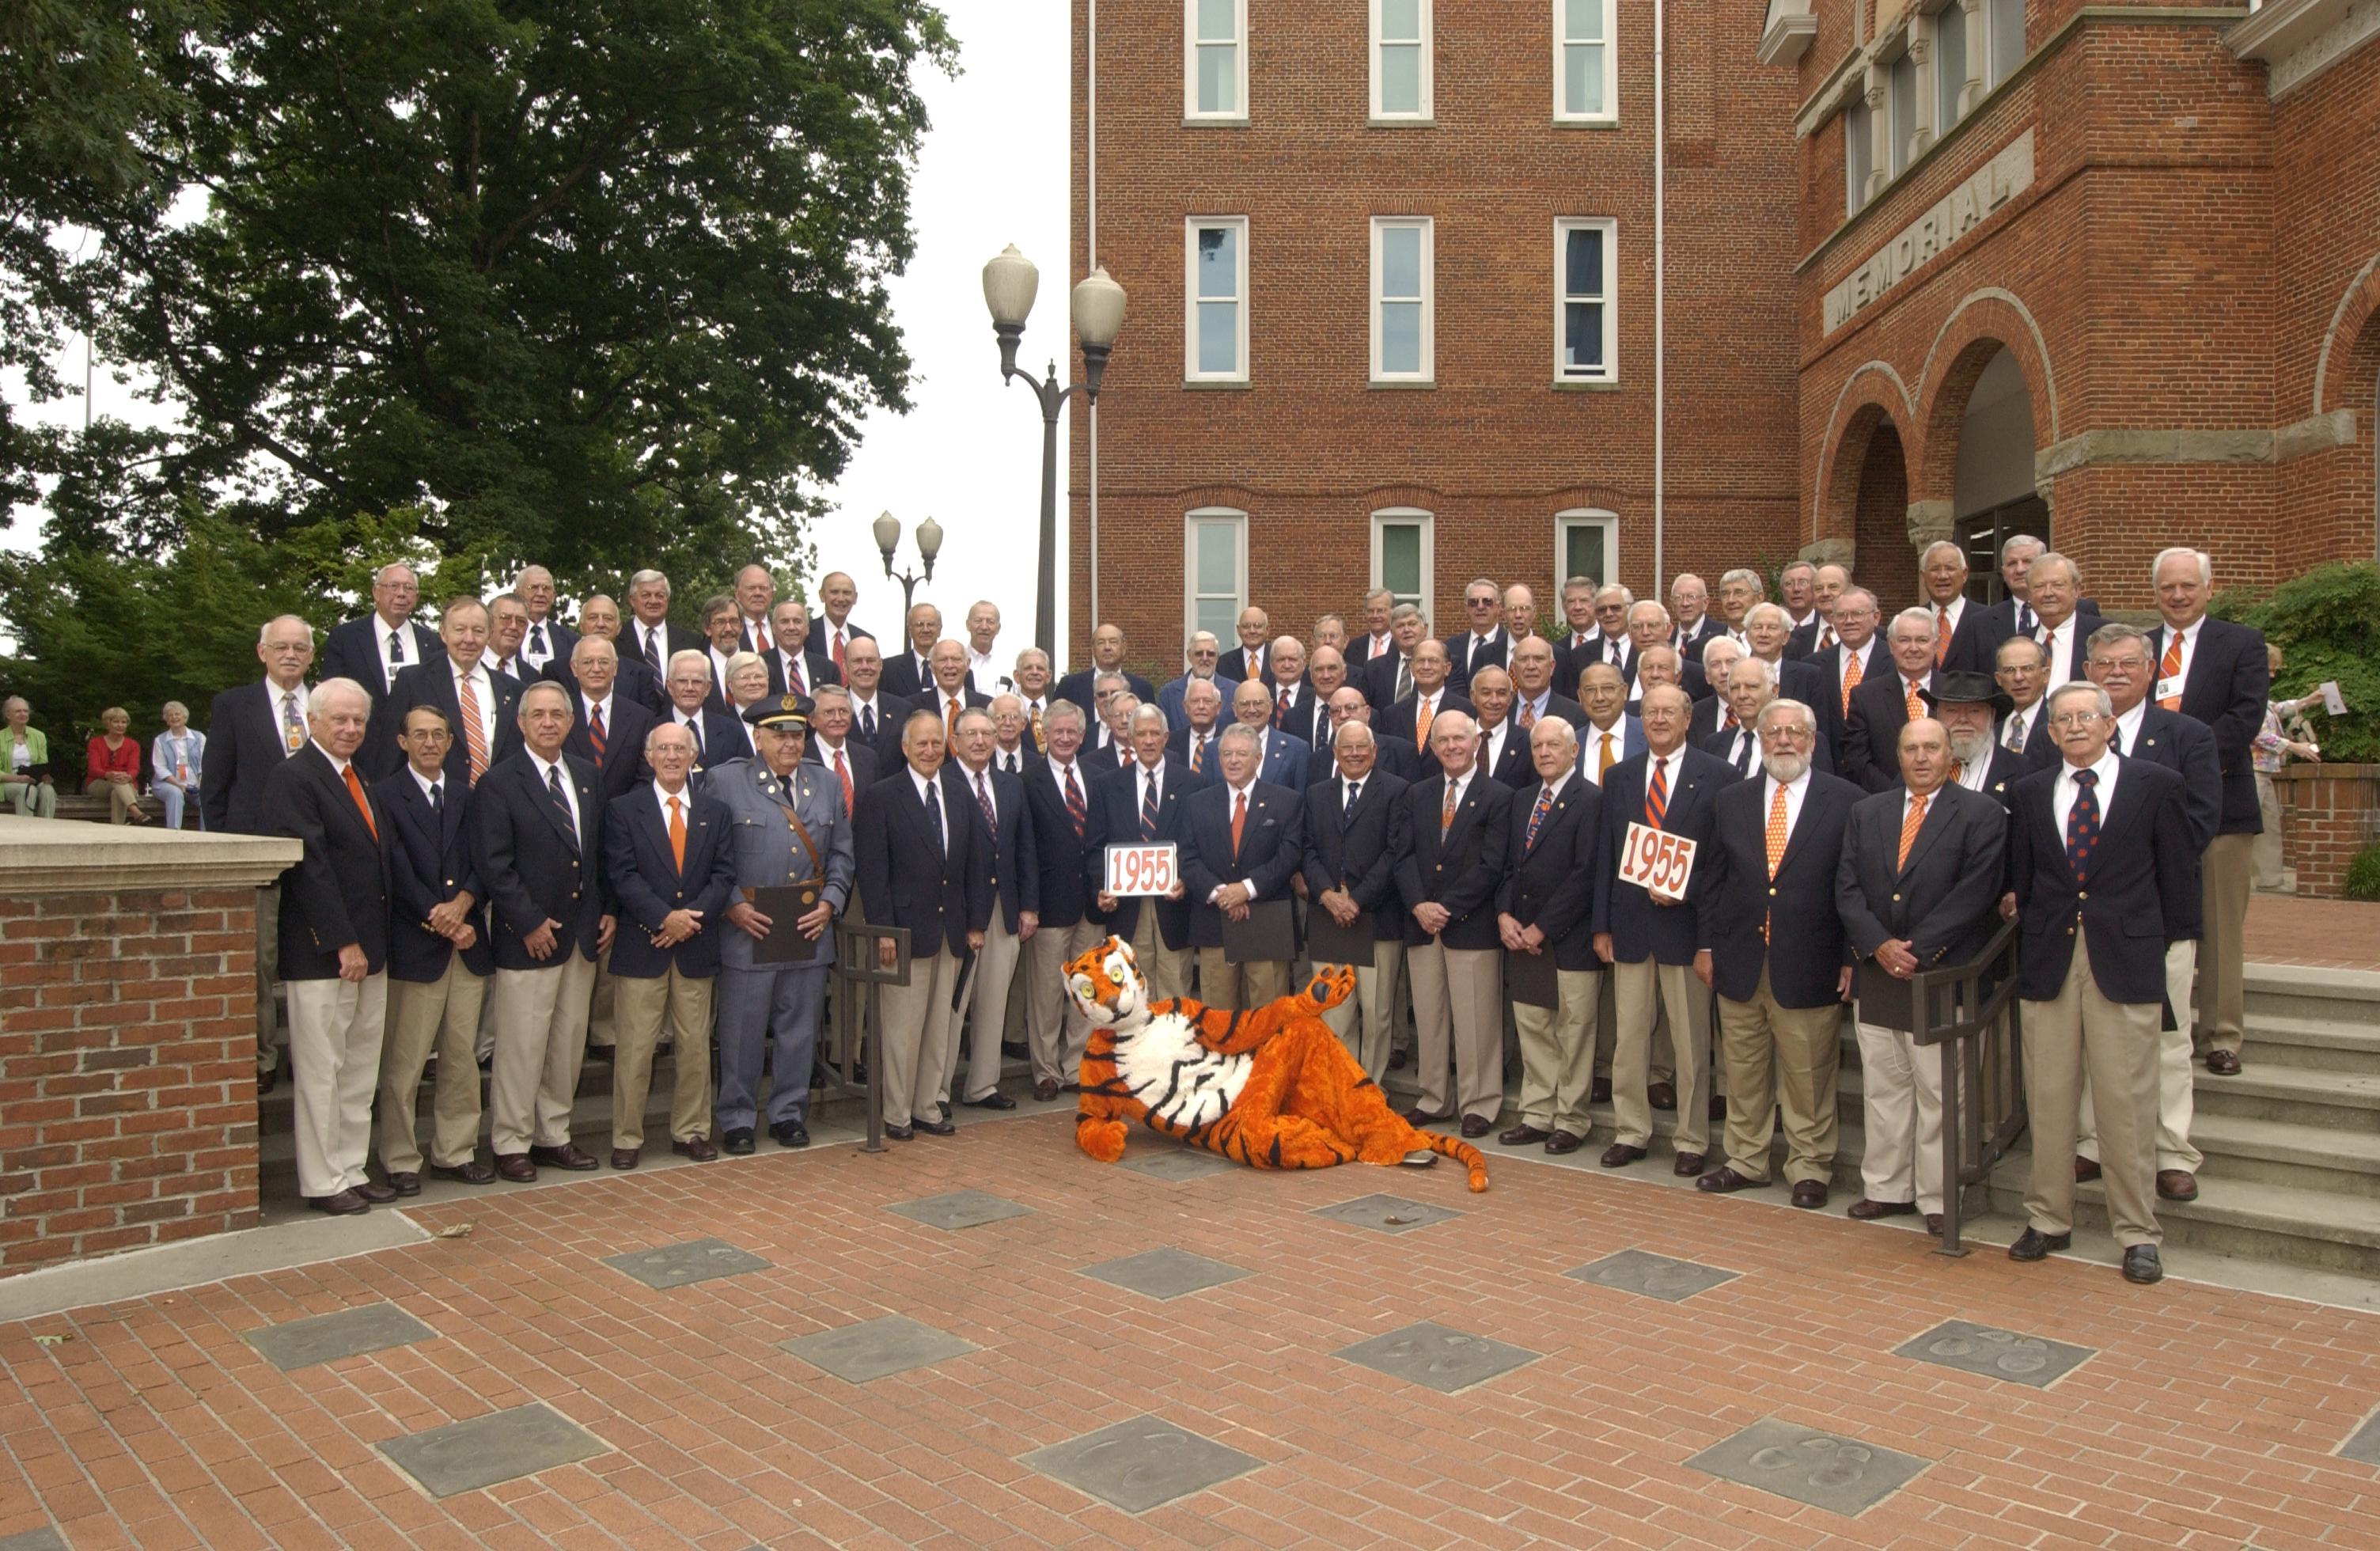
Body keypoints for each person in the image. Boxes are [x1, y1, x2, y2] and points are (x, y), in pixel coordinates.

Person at [2007, 681, 2198, 1286]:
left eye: (2087, 716)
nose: (2076, 726)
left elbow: (2178, 880)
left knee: (2126, 1106)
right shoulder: (2032, 791)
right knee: (2050, 1097)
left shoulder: (2156, 786)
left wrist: (2162, 951)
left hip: (2127, 960)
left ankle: (2138, 1233)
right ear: (2052, 732)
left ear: (2110, 725)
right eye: (2063, 719)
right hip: (2051, 962)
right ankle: (2048, 1218)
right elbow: (2025, 880)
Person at [2035, 623, 2219, 1204]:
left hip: (2153, 922)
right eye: (2104, 664)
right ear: (2088, 672)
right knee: (2089, 1046)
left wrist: (2144, 901)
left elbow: (2193, 829)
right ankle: (2093, 1144)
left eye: (2128, 664)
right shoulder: (2064, 736)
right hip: (2080, 928)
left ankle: (2170, 1151)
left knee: (2164, 1042)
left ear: (2150, 669)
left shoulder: (2186, 736)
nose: (2116, 673)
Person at [1836, 718, 2006, 1234]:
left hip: (1939, 973)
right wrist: (1878, 945)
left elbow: (1977, 892)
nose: (1921, 757)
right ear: (1898, 754)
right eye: (1911, 748)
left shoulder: (1981, 813)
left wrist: (1917, 950)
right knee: (1886, 1089)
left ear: (1950, 753)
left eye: (1932, 747)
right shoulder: (1868, 812)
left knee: (1939, 1091)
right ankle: (1888, 1188)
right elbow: (1846, 887)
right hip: (1878, 972)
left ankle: (1937, 1196)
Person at [1695, 699, 1861, 1208]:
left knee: (1809, 1071)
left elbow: (1854, 884)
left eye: (1795, 732)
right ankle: (1745, 1159)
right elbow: (1713, 879)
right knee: (1742, 1067)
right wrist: (1705, 944)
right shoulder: (1732, 799)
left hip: (1811, 958)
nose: (1784, 740)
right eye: (1774, 732)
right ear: (1760, 739)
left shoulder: (1847, 800)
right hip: (1739, 956)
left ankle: (1810, 1165)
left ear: (1813, 740)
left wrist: (1852, 956)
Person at [263, 678, 393, 1215]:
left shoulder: (356, 775)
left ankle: (350, 1168)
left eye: (358, 720)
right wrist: (343, 942)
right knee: (322, 1070)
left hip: (371, 949)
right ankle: (322, 1181)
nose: (350, 729)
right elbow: (310, 868)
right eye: (339, 719)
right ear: (312, 721)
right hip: (326, 954)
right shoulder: (294, 777)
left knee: (359, 1069)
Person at [473, 681, 612, 1181]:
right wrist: (528, 921)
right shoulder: (499, 783)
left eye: (558, 714)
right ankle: (511, 1141)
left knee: (568, 1041)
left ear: (571, 722)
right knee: (521, 1044)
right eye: (539, 715)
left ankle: (553, 1134)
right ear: (522, 722)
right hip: (527, 935)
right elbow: (494, 864)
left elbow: (595, 855)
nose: (549, 722)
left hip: (578, 934)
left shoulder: (587, 775)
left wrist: (606, 910)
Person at [1593, 684, 1733, 1174]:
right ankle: (1631, 1130)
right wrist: (1601, 925)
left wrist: (1687, 893)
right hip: (1630, 927)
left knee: (1691, 1043)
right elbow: (1607, 855)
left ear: (1687, 718)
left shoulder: (1718, 776)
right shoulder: (1622, 776)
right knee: (1628, 1039)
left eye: (1668, 712)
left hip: (1687, 928)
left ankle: (1692, 1141)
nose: (1658, 720)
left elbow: (1722, 863)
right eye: (1650, 712)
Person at [709, 695, 855, 1150]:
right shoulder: (726, 780)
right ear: (758, 737)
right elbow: (711, 853)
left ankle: (789, 1113)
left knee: (800, 1027)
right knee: (742, 1030)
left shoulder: (827, 783)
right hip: (750, 926)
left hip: (808, 925)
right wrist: (732, 904)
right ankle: (735, 1118)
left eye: (797, 734)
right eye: (779, 734)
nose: (790, 743)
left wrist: (830, 903)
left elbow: (842, 855)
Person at [2147, 547, 2269, 1079]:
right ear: (2155, 592)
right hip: (2148, 808)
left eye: (2187, 586)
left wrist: (2182, 764)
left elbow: (2245, 717)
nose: (2177, 595)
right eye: (2168, 587)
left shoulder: (2241, 644)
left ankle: (2221, 1034)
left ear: (2208, 588)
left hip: (2222, 804)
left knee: (2219, 926)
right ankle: (2156, 1023)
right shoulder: (2140, 648)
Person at [602, 721, 737, 1167]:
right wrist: (665, 918)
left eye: (681, 749)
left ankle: (691, 1131)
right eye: (663, 749)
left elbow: (723, 875)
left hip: (695, 947)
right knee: (636, 1049)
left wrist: (688, 920)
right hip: (644, 946)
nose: (673, 757)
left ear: (693, 756)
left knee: (695, 1047)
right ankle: (626, 1138)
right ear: (649, 757)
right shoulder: (624, 809)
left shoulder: (715, 811)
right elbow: (621, 875)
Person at [373, 704, 496, 1192]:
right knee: (405, 1063)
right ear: (402, 741)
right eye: (419, 735)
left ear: (450, 742)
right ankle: (401, 1158)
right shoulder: (384, 796)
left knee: (461, 1057)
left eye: (438, 735)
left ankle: (455, 1150)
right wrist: (440, 920)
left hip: (467, 947)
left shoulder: (470, 798)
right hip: (415, 946)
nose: (429, 743)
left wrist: (464, 904)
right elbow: (394, 869)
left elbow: (485, 862)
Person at [855, 708, 991, 1140]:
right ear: (905, 748)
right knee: (902, 1030)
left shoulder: (957, 792)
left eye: (936, 743)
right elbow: (873, 873)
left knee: (939, 1028)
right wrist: (884, 932)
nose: (930, 751)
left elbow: (973, 863)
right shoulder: (881, 796)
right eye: (921, 744)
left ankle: (927, 1106)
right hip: (904, 933)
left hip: (950, 930)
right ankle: (896, 1113)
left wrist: (974, 923)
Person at [203, 615, 318, 1090]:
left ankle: (311, 1058)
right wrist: (230, 852)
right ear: (262, 652)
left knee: (318, 959)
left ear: (311, 654)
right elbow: (214, 787)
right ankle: (263, 1057)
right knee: (259, 964)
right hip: (258, 853)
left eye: (300, 647)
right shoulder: (234, 706)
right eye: (281, 647)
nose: (290, 655)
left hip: (320, 853)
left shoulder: (331, 704)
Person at [1394, 712, 1512, 1138]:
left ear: (1475, 741)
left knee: (1476, 1019)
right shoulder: (1419, 793)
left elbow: (1492, 865)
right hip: (1423, 924)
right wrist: (1419, 905)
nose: (1450, 747)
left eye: (1458, 739)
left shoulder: (1498, 796)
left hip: (1471, 925)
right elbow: (1402, 855)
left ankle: (1478, 1103)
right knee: (1429, 1015)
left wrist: (1445, 906)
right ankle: (1433, 1096)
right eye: (1442, 740)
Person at [1496, 718, 1601, 1153]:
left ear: (1573, 751)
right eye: (1537, 746)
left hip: (1568, 939)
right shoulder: (1522, 799)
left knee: (1574, 1031)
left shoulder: (1592, 799)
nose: (1543, 753)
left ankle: (1571, 1119)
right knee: (1533, 1027)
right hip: (1522, 937)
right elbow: (1507, 865)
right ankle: (1538, 1112)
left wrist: (1543, 926)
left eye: (1553, 746)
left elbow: (1585, 874)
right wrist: (1504, 914)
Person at [937, 707, 1037, 1113]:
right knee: (951, 1006)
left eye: (987, 734)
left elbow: (1024, 847)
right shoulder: (941, 782)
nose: (980, 741)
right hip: (959, 912)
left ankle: (982, 1085)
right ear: (954, 741)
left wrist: (1029, 906)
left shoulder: (1011, 785)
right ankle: (937, 1090)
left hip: (1005, 908)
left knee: (995, 1001)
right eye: (971, 734)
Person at [1305, 721, 1411, 1078]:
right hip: (1327, 914)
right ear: (1335, 753)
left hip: (1376, 915)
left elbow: (1396, 853)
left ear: (1374, 751)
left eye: (1361, 747)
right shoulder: (1317, 793)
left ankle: (1371, 1088)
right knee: (1334, 1009)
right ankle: (1341, 1086)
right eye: (1346, 748)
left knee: (1377, 1010)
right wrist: (1327, 896)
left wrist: (1357, 900)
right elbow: (1307, 851)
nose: (1353, 754)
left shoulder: (1397, 791)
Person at [1180, 724, 1305, 1009]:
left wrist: (1246, 890)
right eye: (1226, 754)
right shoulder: (1197, 803)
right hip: (1215, 922)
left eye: (1241, 754)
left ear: (1258, 759)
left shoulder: (1286, 802)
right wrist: (1223, 894)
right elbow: (1187, 858)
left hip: (1266, 920)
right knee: (1218, 1017)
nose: (1233, 760)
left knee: (1267, 1015)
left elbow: (1289, 856)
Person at [1019, 700, 1106, 1100]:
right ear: (1045, 735)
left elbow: (1103, 842)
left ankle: (1076, 1066)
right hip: (1050, 906)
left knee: (1085, 990)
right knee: (1048, 995)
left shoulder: (1098, 776)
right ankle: (1046, 1072)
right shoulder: (1027, 780)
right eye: (1059, 732)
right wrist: (1029, 905)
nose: (1066, 738)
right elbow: (1025, 849)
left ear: (1082, 735)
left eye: (1073, 732)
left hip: (1093, 903)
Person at [1085, 704, 1196, 999]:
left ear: (1166, 737)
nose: (1148, 741)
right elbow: (1095, 846)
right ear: (1130, 739)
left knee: (1175, 990)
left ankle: (1173, 1047)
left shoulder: (1191, 784)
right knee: (1133, 992)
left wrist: (1185, 879)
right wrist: (1101, 888)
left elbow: (1196, 844)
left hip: (1174, 905)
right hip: (1126, 908)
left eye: (1154, 734)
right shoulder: (1106, 786)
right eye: (1141, 734)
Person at [386, 597, 525, 791]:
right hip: (435, 807)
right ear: (443, 633)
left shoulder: (514, 689)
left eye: (478, 631)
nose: (468, 639)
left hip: (498, 806)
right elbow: (390, 754)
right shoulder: (413, 681)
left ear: (490, 635)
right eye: (459, 630)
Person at [1841, 608, 1940, 791]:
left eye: (1922, 640)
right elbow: (1856, 761)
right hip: (1885, 805)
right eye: (1904, 640)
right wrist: (1897, 796)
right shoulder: (1865, 696)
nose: (1913, 648)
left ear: (1936, 645)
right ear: (1891, 645)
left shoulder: (1952, 694)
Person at [2253, 643, 2320, 889]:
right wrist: (2293, 746)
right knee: (2245, 826)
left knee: (2269, 824)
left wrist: (2308, 701)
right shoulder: (2244, 692)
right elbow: (2256, 733)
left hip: (2265, 770)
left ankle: (2269, 879)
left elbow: (2276, 708)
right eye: (2270, 669)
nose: (2273, 674)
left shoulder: (2259, 695)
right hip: (2251, 769)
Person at [320, 563, 440, 697]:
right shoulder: (345, 639)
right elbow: (330, 694)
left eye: (408, 588)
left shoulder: (433, 643)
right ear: (376, 593)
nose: (401, 593)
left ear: (416, 598)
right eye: (393, 586)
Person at [1378, 640, 1470, 780]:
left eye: (1433, 661)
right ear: (1412, 667)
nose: (1426, 667)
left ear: (1447, 668)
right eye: (1421, 661)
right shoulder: (1392, 714)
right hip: (1403, 796)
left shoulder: (1466, 710)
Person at [1806, 586, 1882, 741]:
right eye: (1841, 615)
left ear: (1876, 617)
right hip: (1829, 762)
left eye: (1857, 614)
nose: (1849, 621)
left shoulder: (1895, 661)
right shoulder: (1813, 666)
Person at [659, 649, 747, 781]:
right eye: (682, 681)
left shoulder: (733, 731)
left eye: (697, 682)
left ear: (707, 688)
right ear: (670, 687)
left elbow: (743, 781)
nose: (689, 688)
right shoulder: (653, 731)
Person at [1228, 676, 1311, 788]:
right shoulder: (1214, 750)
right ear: (1234, 709)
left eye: (1258, 703)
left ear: (1270, 706)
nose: (1252, 710)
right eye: (1244, 704)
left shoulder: (1297, 750)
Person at [840, 634, 911, 762]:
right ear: (845, 667)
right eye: (857, 661)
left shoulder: (903, 710)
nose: (865, 667)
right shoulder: (834, 709)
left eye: (871, 660)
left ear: (880, 665)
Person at [804, 684, 878, 806]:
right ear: (812, 720)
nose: (838, 718)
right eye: (829, 712)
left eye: (843, 711)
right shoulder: (801, 757)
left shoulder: (868, 758)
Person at [623, 569, 703, 683]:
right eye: (646, 595)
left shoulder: (691, 642)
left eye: (660, 595)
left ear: (668, 599)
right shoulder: (617, 639)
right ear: (632, 600)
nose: (654, 601)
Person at [2027, 552, 2091, 690]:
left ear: (2076, 589)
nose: (2048, 593)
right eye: (2039, 586)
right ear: (2029, 593)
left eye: (2057, 585)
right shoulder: (2020, 641)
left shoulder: (2100, 636)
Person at [1058, 623, 1156, 712]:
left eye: (1113, 642)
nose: (1107, 647)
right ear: (1093, 649)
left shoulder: (1143, 689)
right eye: (1101, 643)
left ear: (1124, 648)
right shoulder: (1069, 687)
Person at [1574, 662, 1641, 786]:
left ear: (1624, 691)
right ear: (1580, 697)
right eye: (1590, 690)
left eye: (1608, 688)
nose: (1599, 697)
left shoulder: (1648, 735)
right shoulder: (1571, 744)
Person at [1443, 577, 1510, 695]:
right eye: (1473, 602)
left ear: (1498, 608)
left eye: (1487, 601)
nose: (1480, 607)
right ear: (1466, 608)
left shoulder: (1510, 645)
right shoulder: (1450, 647)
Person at [85, 707, 150, 824]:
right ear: (107, 724)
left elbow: (134, 768)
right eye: (116, 722)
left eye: (123, 722)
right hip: (99, 783)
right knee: (116, 780)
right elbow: (93, 769)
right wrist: (107, 775)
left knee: (117, 791)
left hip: (127, 784)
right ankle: (136, 812)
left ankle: (117, 828)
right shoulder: (95, 743)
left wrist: (129, 777)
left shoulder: (133, 745)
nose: (120, 725)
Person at [1508, 636, 1586, 730]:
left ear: (1552, 667)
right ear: (1513, 668)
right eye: (1523, 659)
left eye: (1538, 659)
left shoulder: (1576, 714)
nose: (1531, 666)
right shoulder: (1501, 710)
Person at [1468, 666, 1529, 787]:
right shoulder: (1457, 739)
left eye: (1501, 693)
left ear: (1511, 698)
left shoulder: (1527, 742)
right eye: (1486, 693)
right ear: (1473, 697)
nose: (1494, 701)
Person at [1157, 631, 1230, 731]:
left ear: (1217, 657)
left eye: (1210, 654)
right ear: (1189, 656)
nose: (1205, 658)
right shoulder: (1168, 694)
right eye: (1199, 654)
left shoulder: (1234, 692)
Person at [1362, 604, 1431, 709]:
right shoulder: (1373, 669)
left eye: (1412, 624)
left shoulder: (1442, 664)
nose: (1407, 630)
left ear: (1425, 629)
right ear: (1392, 633)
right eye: (1400, 626)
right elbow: (1366, 710)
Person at [808, 571, 874, 677]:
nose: (841, 599)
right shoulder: (806, 634)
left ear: (855, 598)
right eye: (834, 592)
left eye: (847, 593)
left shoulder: (866, 639)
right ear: (822, 596)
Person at [1, 696, 56, 818]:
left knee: (48, 790)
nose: (23, 714)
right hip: (7, 783)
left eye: (25, 711)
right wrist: (17, 779)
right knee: (27, 790)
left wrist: (46, 776)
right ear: (8, 715)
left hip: (33, 780)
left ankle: (46, 831)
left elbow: (43, 764)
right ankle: (26, 830)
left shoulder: (39, 736)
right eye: (18, 711)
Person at [1995, 634, 2051, 755]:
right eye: (2010, 670)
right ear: (1998, 678)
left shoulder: (2057, 721)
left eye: (2027, 669)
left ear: (2045, 675)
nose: (2018, 677)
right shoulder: (1990, 723)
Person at [152, 701, 204, 829]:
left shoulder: (199, 737)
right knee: (175, 793)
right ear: (166, 720)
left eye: (177, 714)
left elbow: (205, 763)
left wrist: (200, 783)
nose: (174, 717)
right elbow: (160, 767)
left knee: (208, 796)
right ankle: (174, 833)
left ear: (185, 717)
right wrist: (179, 785)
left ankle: (207, 835)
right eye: (170, 715)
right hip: (168, 784)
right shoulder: (160, 740)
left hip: (195, 784)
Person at [514, 565, 576, 672]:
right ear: (517, 593)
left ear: (553, 596)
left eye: (546, 588)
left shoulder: (571, 641)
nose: (540, 594)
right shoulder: (504, 634)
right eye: (533, 587)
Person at [1265, 636, 1321, 747]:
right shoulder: (1263, 699)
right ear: (1271, 665)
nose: (1286, 665)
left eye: (1292, 659)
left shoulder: (1316, 698)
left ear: (1304, 664)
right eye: (1281, 660)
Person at [878, 601, 941, 699]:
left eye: (931, 624)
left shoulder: (955, 668)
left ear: (939, 629)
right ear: (910, 631)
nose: (925, 630)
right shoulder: (889, 670)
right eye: (919, 625)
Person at [1167, 677, 1226, 778]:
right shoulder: (1169, 743)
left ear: (1218, 707)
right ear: (1185, 707)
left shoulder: (1228, 741)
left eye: (1207, 701)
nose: (1201, 706)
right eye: (1195, 701)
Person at [1010, 650, 1056, 752]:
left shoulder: (1059, 713)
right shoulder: (1008, 715)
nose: (1035, 672)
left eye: (1040, 668)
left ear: (1048, 676)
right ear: (1017, 676)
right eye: (1028, 668)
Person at [1218, 605, 1275, 686]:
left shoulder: (1279, 659)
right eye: (1246, 626)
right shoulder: (1224, 663)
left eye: (1257, 626)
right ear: (1238, 630)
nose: (1252, 631)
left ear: (1267, 630)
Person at [483, 592, 532, 683]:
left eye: (520, 621)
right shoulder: (470, 664)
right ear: (489, 622)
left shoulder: (532, 676)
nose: (513, 626)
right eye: (505, 618)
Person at [731, 564, 778, 656]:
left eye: (763, 588)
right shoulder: (729, 631)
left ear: (771, 595)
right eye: (751, 588)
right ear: (737, 595)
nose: (758, 593)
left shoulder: (782, 629)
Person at [961, 600, 1006, 696]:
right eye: (978, 621)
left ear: (998, 628)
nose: (984, 627)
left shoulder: (1007, 664)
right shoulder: (956, 662)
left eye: (990, 622)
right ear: (968, 625)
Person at [1669, 573, 1720, 658]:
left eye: (1691, 597)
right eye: (1678, 598)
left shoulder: (1721, 635)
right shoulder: (1665, 640)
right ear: (1672, 605)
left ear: (1705, 603)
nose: (1685, 603)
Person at [1347, 588, 1397, 666]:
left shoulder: (1401, 645)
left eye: (1380, 611)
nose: (1375, 616)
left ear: (1393, 611)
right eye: (1370, 611)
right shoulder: (1352, 648)